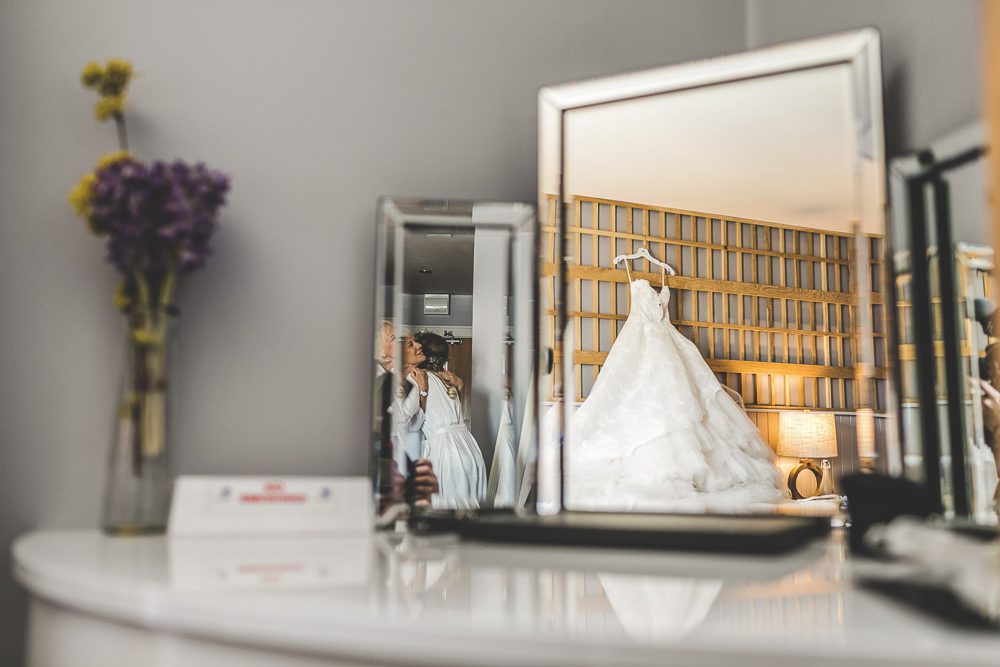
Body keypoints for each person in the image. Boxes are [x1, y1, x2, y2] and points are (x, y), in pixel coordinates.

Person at [564, 262, 784, 512]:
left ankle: (696, 477)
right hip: (641, 346)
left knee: (692, 403)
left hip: (671, 349)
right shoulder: (630, 274)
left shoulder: (662, 280)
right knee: (647, 402)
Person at [412, 331, 486, 509]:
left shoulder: (418, 378)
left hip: (447, 451)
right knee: (471, 507)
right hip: (469, 447)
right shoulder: (447, 379)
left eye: (415, 347)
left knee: (447, 509)